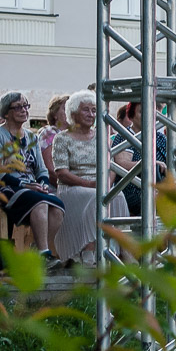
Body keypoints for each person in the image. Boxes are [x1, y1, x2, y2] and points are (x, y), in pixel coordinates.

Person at [0, 92, 65, 261]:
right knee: (40, 202)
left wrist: (42, 183)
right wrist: (25, 185)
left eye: (26, 106)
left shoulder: (31, 136)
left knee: (57, 206)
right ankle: (43, 254)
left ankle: (40, 250)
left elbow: (41, 169)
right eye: (18, 107)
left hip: (30, 187)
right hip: (4, 187)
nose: (24, 110)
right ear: (6, 112)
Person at [50, 91, 127, 266]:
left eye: (94, 110)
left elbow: (110, 166)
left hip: (98, 185)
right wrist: (90, 184)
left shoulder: (101, 136)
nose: (91, 114)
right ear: (73, 113)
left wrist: (106, 185)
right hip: (72, 187)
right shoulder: (62, 138)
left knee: (118, 196)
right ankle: (88, 250)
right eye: (86, 110)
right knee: (96, 198)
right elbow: (61, 172)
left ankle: (121, 250)